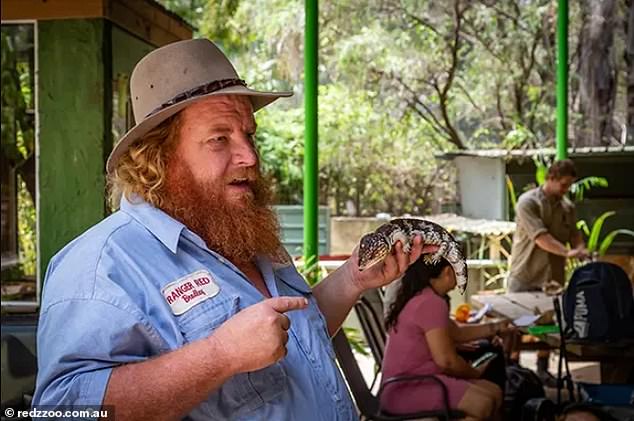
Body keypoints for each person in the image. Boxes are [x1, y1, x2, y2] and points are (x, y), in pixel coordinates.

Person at [32, 39, 435, 420]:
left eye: (248, 134)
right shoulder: (100, 266)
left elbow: (292, 341)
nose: (249, 156)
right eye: (219, 139)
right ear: (158, 157)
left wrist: (350, 280)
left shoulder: (241, 234)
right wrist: (219, 356)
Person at [381, 257, 506, 420]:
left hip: (406, 385)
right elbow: (446, 361)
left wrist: (496, 327)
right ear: (448, 272)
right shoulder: (430, 302)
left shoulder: (421, 295)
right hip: (408, 388)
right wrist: (474, 372)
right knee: (483, 404)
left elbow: (457, 333)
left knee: (494, 392)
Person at [507, 159, 589, 385]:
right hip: (525, 274)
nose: (566, 189)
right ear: (550, 178)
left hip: (552, 279)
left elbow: (574, 234)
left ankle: (543, 370)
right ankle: (513, 369)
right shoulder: (528, 202)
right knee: (515, 326)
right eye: (563, 184)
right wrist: (567, 253)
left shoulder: (567, 207)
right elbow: (541, 237)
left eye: (569, 185)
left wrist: (580, 249)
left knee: (549, 325)